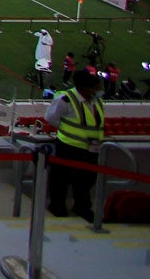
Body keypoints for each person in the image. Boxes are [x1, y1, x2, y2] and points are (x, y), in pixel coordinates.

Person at [46, 69, 104, 221]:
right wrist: (68, 131)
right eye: (94, 88)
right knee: (61, 179)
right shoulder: (65, 99)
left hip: (91, 149)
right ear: (84, 88)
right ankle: (57, 206)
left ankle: (82, 207)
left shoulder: (96, 101)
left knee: (86, 180)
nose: (97, 91)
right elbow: (52, 118)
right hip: (68, 146)